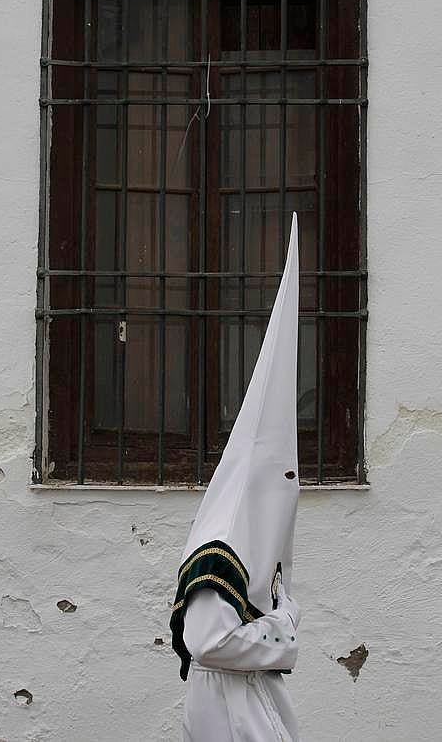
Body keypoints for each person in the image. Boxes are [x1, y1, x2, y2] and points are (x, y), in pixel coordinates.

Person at [170, 214, 302, 742]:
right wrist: (282, 629)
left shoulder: (243, 542)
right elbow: (207, 642)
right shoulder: (220, 549)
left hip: (249, 698)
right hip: (225, 709)